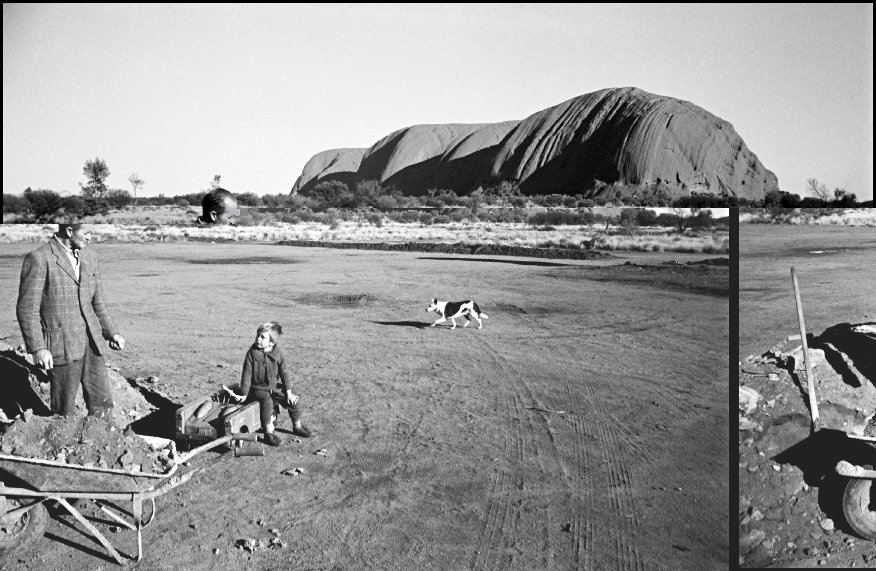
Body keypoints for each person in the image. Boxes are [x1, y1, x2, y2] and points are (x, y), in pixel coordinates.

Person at [16, 224, 126, 419]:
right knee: (63, 409)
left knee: (102, 402)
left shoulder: (89, 256)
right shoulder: (40, 259)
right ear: (68, 231)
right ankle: (63, 445)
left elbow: (97, 301)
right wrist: (38, 349)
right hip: (62, 345)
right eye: (87, 233)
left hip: (92, 342)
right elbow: (27, 310)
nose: (91, 238)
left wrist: (111, 331)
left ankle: (103, 441)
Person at [234, 322, 311, 445]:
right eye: (257, 336)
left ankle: (297, 426)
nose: (258, 339)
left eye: (262, 337)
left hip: (274, 387)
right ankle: (268, 433)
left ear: (272, 342)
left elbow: (284, 373)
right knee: (267, 402)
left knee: (293, 401)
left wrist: (289, 392)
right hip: (258, 389)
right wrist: (243, 393)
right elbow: (246, 375)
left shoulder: (277, 353)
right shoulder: (252, 354)